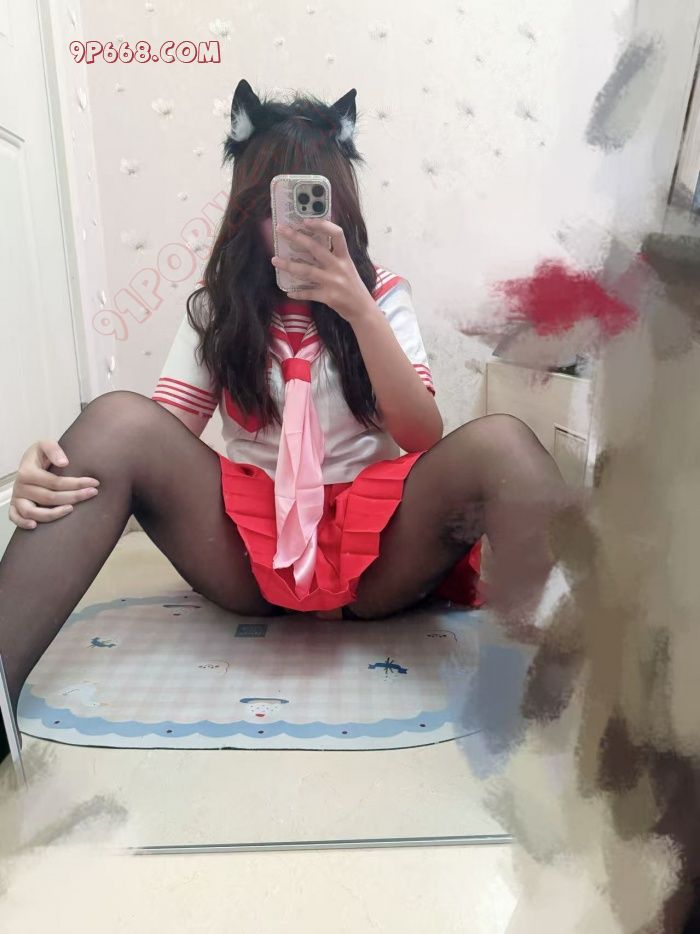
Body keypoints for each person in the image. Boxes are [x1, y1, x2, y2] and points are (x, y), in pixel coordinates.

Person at [0, 79, 565, 723]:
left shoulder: (383, 295)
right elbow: (152, 439)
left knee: (503, 443)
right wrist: (61, 465)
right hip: (249, 549)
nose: (298, 224)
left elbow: (421, 436)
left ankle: (577, 699)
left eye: (314, 203)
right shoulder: (217, 309)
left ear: (341, 207)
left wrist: (358, 309)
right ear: (248, 208)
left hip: (378, 551)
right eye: (280, 204)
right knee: (114, 422)